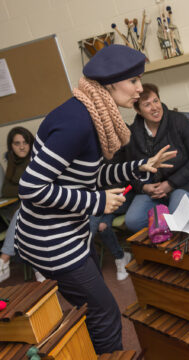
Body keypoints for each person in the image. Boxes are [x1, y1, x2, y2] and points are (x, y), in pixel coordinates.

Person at [14, 45, 175, 354]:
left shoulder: (92, 114)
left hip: (65, 233)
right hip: (50, 241)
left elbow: (86, 177)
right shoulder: (77, 122)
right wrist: (96, 204)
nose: (140, 90)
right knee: (105, 313)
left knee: (91, 310)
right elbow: (30, 188)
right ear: (110, 83)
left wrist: (137, 168)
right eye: (134, 81)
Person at [124, 83, 189, 233]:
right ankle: (160, 248)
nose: (154, 107)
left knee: (178, 218)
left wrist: (170, 184)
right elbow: (131, 169)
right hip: (154, 190)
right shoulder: (133, 133)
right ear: (138, 110)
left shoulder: (178, 121)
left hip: (186, 183)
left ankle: (180, 244)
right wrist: (143, 187)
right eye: (147, 104)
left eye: (156, 101)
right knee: (133, 221)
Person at [89, 148, 134, 281]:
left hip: (125, 194)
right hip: (106, 202)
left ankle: (87, 263)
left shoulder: (124, 146)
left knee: (93, 219)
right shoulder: (93, 151)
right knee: (103, 226)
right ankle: (121, 257)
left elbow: (129, 176)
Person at [0, 127, 38, 283]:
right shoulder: (12, 162)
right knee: (28, 228)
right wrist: (24, 189)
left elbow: (35, 189)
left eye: (25, 142)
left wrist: (25, 189)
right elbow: (6, 190)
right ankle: (41, 275)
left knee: (22, 214)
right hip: (20, 210)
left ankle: (4, 259)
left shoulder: (36, 160)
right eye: (17, 143)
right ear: (11, 146)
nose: (22, 147)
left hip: (37, 208)